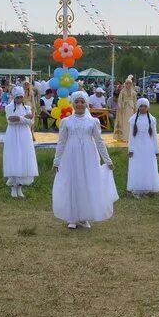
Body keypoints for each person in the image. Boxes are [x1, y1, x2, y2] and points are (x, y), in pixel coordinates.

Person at [51, 91, 116, 230]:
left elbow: (99, 141)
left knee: (87, 183)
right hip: (71, 155)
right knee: (73, 183)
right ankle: (73, 217)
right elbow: (61, 142)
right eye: (77, 102)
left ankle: (85, 216)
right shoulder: (66, 122)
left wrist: (107, 160)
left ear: (86, 104)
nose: (79, 105)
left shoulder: (93, 121)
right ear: (73, 104)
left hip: (88, 156)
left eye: (82, 102)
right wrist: (57, 161)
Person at [2, 86, 38, 198]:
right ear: (14, 97)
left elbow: (30, 122)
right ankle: (13, 187)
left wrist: (19, 118)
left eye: (21, 97)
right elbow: (10, 121)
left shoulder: (27, 107)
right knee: (14, 157)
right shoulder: (8, 107)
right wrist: (23, 118)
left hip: (24, 135)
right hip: (13, 134)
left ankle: (20, 186)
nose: (19, 100)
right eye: (17, 97)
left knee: (23, 157)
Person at [126, 97, 159, 197]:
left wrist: (156, 150)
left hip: (148, 145)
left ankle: (149, 185)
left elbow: (154, 135)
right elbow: (131, 136)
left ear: (148, 107)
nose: (143, 108)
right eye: (141, 106)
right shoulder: (133, 119)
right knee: (137, 165)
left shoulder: (152, 119)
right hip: (137, 145)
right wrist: (131, 149)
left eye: (145, 106)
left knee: (148, 164)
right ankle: (137, 186)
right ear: (138, 107)